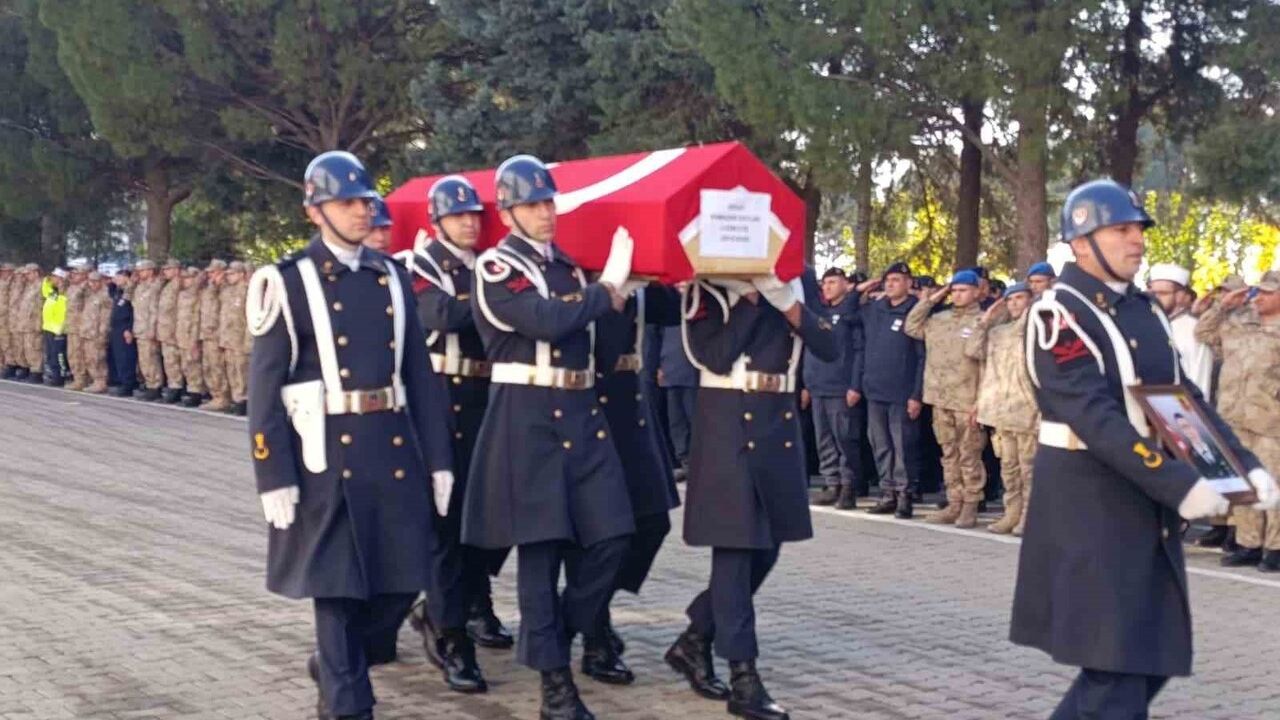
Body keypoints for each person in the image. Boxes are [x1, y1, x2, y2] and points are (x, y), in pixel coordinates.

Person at [1010, 178, 1279, 719]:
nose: (1137, 240)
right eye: (1122, 229)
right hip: (1091, 504)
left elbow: (1180, 402)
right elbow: (1096, 419)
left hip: (1142, 501)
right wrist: (1181, 485)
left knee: (1148, 657)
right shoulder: (1058, 313)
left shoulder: (1143, 310)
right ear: (1081, 241)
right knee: (1118, 668)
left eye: (1138, 230)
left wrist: (1239, 470)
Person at [247, 150, 454, 720]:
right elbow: (264, 388)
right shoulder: (288, 281)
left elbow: (418, 372)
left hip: (390, 448)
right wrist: (273, 473)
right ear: (315, 210)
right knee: (337, 591)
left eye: (365, 200)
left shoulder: (390, 275)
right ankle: (345, 702)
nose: (363, 212)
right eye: (347, 202)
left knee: (397, 585)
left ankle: (338, 663)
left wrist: (438, 458)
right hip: (326, 460)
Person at [465, 154, 635, 720]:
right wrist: (604, 288)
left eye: (548, 202)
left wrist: (623, 294)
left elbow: (593, 329)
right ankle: (555, 688)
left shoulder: (567, 267)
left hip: (580, 410)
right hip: (527, 414)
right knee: (540, 553)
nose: (545, 212)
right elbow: (543, 319)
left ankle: (553, 636)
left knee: (612, 535)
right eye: (533, 204)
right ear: (509, 211)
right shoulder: (493, 269)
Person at [666, 272, 835, 720]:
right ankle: (744, 678)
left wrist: (790, 304)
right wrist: (754, 299)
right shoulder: (710, 284)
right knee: (736, 553)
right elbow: (713, 356)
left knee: (767, 549)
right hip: (728, 420)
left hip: (777, 422)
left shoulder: (797, 281)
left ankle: (696, 637)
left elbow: (830, 347)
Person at [403, 174, 504, 694]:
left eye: (475, 215)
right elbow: (438, 312)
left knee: (492, 518)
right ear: (437, 221)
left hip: (489, 398)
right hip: (444, 399)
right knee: (445, 525)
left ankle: (465, 602)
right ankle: (449, 635)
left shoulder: (486, 265)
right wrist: (498, 295)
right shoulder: (422, 264)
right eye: (458, 215)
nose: (470, 223)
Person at [581, 275, 682, 685]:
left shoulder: (637, 279)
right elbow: (602, 346)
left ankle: (588, 603)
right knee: (600, 530)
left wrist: (663, 275)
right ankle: (593, 630)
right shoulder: (578, 278)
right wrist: (613, 290)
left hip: (632, 400)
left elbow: (675, 311)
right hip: (589, 400)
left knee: (653, 520)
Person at [1195, 271, 1280, 571]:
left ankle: (1275, 548)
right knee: (1244, 485)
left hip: (1271, 423)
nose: (1261, 298)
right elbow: (1202, 332)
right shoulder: (1239, 326)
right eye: (1260, 292)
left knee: (1274, 486)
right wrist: (1224, 305)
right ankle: (1248, 543)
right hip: (1234, 419)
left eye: (1269, 293)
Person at [906, 270, 987, 528]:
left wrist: (982, 401)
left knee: (969, 455)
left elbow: (988, 364)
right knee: (948, 453)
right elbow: (911, 325)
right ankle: (954, 502)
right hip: (940, 398)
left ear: (976, 291)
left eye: (964, 290)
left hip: (967, 399)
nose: (958, 294)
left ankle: (971, 504)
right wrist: (933, 298)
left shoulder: (983, 321)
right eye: (954, 290)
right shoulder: (938, 320)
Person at [965, 283, 1038, 535]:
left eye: (1021, 298)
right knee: (1009, 467)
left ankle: (1029, 516)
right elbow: (973, 350)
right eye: (1011, 299)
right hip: (1002, 410)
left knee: (1029, 469)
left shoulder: (1034, 331)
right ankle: (1012, 513)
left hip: (1027, 410)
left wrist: (1035, 305)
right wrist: (985, 321)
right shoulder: (999, 333)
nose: (1015, 303)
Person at [859, 262, 925, 518]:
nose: (890, 284)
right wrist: (868, 285)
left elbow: (922, 357)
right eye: (887, 280)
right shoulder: (876, 309)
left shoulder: (915, 311)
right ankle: (887, 493)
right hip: (875, 389)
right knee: (881, 445)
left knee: (903, 446)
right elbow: (850, 306)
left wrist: (916, 394)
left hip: (902, 391)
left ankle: (904, 495)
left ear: (909, 284)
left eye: (897, 280)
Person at [803, 267, 865, 510]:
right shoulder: (817, 313)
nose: (827, 287)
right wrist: (805, 384)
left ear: (845, 285)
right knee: (824, 439)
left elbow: (859, 351)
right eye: (825, 283)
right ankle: (832, 483)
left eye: (833, 282)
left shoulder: (851, 315)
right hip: (817, 384)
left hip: (841, 386)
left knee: (845, 439)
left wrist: (854, 385)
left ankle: (849, 486)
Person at [1148, 263, 1214, 400]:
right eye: (1152, 293)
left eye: (1162, 293)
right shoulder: (1148, 324)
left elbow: (1200, 381)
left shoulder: (1194, 331)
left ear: (1181, 296)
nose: (1154, 298)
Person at [659, 323, 698, 482]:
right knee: (676, 420)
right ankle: (685, 462)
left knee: (694, 418)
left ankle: (697, 462)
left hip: (692, 368)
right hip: (670, 367)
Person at [199, 260, 231, 412]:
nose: (210, 275)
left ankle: (222, 398)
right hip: (207, 333)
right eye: (209, 273)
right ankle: (216, 396)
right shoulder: (210, 288)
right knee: (209, 367)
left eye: (213, 272)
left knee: (218, 367)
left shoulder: (226, 289)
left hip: (218, 334)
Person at [130, 260, 164, 400]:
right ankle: (149, 383)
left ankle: (155, 386)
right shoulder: (140, 287)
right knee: (144, 360)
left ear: (150, 271)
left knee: (150, 358)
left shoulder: (155, 286)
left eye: (142, 271)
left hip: (148, 328)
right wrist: (132, 282)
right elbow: (129, 298)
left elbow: (155, 310)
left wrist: (152, 329)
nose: (139, 273)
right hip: (139, 327)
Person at [219, 261, 249, 416]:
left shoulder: (248, 291)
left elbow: (249, 318)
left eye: (232, 274)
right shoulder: (228, 291)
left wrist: (248, 342)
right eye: (228, 274)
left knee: (242, 371)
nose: (229, 277)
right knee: (231, 370)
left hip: (240, 339)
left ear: (242, 274)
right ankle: (236, 399)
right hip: (228, 339)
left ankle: (244, 400)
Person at [77, 271, 112, 393]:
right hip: (87, 332)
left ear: (101, 282)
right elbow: (76, 299)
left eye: (95, 281)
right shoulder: (89, 295)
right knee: (89, 358)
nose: (92, 284)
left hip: (96, 333)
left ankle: (100, 382)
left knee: (97, 358)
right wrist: (83, 286)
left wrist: (102, 334)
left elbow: (105, 317)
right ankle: (94, 380)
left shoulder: (105, 295)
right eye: (90, 281)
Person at [175, 267, 206, 407]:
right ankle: (190, 389)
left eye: (188, 278)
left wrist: (195, 339)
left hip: (191, 334)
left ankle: (196, 392)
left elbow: (197, 318)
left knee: (193, 364)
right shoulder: (182, 294)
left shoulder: (199, 294)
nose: (185, 281)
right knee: (186, 365)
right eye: (184, 278)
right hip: (181, 333)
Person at [156, 259, 185, 403]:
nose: (165, 272)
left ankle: (176, 388)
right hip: (165, 329)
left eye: (168, 269)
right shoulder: (167, 285)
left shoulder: (179, 284)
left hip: (173, 329)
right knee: (169, 360)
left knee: (173, 360)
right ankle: (173, 386)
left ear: (176, 270)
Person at [108, 270, 137, 396]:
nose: (116, 279)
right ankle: (120, 381)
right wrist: (112, 283)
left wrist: (129, 328)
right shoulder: (119, 291)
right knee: (118, 356)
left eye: (119, 276)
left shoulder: (130, 291)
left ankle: (128, 384)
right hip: (116, 327)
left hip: (125, 327)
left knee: (126, 357)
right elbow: (110, 289)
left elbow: (132, 312)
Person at [41, 270, 69, 385]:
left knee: (59, 355)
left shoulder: (64, 295)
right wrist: (47, 280)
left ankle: (60, 377)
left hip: (59, 329)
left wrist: (61, 328)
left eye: (55, 277)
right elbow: (45, 290)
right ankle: (54, 375)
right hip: (49, 327)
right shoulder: (54, 294)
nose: (53, 279)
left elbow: (64, 314)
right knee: (51, 354)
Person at [63, 265, 88, 389]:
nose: (73, 276)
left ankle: (82, 379)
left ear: (84, 275)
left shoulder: (85, 287)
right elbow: (61, 290)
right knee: (72, 354)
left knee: (79, 354)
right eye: (73, 274)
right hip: (71, 326)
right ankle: (76, 377)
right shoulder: (72, 287)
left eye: (77, 274)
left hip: (80, 326)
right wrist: (67, 279)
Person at [0, 263, 15, 379]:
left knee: (7, 344)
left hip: (8, 319)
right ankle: (2, 366)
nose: (4, 273)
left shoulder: (14, 284)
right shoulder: (2, 282)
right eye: (3, 271)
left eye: (6, 271)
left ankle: (9, 366)